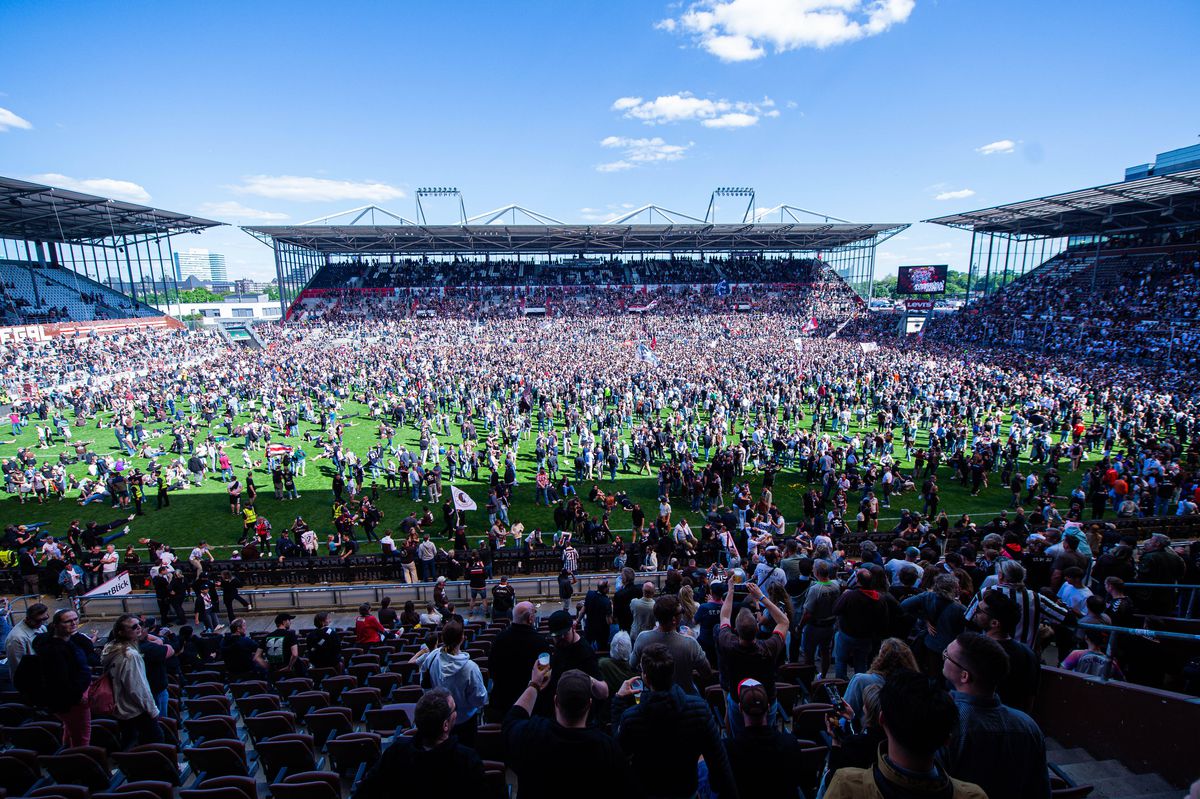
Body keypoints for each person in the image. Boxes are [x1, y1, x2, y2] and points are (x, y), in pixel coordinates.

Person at [824, 670, 987, 799]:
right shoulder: (973, 795)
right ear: (947, 740)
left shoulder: (846, 786)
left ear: (882, 719)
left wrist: (837, 744)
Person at [612, 643, 736, 798]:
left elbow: (617, 751)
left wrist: (618, 701)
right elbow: (719, 761)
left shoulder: (631, 718)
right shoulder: (699, 709)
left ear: (645, 676)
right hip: (686, 790)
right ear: (672, 673)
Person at [503, 665, 641, 799]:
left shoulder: (531, 735)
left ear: (556, 701)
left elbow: (512, 720)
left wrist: (534, 684)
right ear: (589, 704)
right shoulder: (607, 749)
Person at [940, 632, 1050, 799]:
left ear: (964, 676)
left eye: (947, 655)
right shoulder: (1028, 726)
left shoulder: (946, 722)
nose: (944, 656)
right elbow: (1040, 790)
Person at [352, 688, 486, 799]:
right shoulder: (467, 759)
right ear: (445, 725)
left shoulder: (395, 752)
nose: (456, 713)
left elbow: (366, 790)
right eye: (454, 710)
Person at [716, 581, 788, 732]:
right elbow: (783, 621)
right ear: (757, 627)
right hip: (767, 699)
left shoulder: (727, 643)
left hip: (738, 700)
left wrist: (730, 591)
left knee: (737, 734)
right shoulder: (769, 647)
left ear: (735, 629)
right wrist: (761, 597)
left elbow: (724, 617)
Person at [722, 678, 804, 798]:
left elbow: (717, 785)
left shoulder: (728, 750)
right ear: (769, 707)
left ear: (740, 708)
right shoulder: (790, 743)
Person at [419, 620, 488, 745]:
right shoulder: (470, 668)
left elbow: (425, 685)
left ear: (442, 638)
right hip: (465, 722)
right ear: (462, 638)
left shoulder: (432, 657)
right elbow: (479, 699)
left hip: (439, 719)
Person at [31, 608, 93, 746]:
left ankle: (66, 752)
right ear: (56, 625)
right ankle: (78, 761)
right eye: (68, 621)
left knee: (71, 729)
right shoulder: (55, 651)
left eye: (75, 619)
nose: (73, 623)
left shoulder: (61, 641)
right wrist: (79, 694)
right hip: (73, 700)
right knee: (82, 736)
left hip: (67, 699)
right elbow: (61, 679)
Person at [628, 594, 712, 695]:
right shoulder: (690, 643)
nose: (682, 614)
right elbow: (706, 673)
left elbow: (632, 664)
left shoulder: (643, 638)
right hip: (685, 697)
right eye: (681, 612)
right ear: (674, 619)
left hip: (654, 697)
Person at [971, 591, 1040, 711]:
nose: (974, 613)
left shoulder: (975, 652)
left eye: (979, 611)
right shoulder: (1028, 653)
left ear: (994, 623)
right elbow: (1030, 696)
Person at [101, 613, 162, 748]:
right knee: (155, 742)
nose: (139, 628)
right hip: (136, 710)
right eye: (134, 627)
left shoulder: (111, 648)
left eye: (140, 624)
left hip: (121, 709)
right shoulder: (130, 655)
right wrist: (152, 710)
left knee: (130, 740)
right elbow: (137, 687)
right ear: (121, 632)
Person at [488, 601, 550, 722]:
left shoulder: (498, 640)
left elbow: (492, 670)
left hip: (503, 702)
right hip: (532, 706)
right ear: (530, 619)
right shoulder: (540, 642)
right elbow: (545, 676)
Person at [842, 638, 918, 726]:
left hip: (866, 735)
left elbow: (844, 714)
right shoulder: (914, 684)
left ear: (880, 658)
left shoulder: (861, 680)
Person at [833, 567, 891, 680]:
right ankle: (860, 686)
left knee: (841, 660)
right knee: (861, 662)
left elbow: (835, 610)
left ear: (857, 580)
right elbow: (884, 619)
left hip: (847, 634)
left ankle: (840, 684)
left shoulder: (850, 595)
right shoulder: (879, 598)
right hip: (866, 636)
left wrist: (843, 596)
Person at [799, 559, 842, 677]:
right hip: (830, 625)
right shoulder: (836, 585)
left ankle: (810, 678)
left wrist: (800, 626)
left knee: (809, 653)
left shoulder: (815, 589)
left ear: (816, 572)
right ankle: (823, 676)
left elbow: (807, 613)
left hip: (814, 626)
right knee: (825, 652)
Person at [4, 602, 48, 674]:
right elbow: (18, 667)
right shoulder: (16, 638)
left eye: (45, 618)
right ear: (28, 619)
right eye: (38, 621)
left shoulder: (40, 627)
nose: (42, 623)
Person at [265, 613, 300, 679]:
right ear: (284, 622)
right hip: (288, 672)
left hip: (274, 672)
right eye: (289, 620)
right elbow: (295, 654)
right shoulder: (290, 634)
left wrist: (269, 667)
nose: (290, 622)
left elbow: (256, 657)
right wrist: (289, 667)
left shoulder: (268, 636)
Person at [582, 579, 613, 650]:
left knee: (588, 647)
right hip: (602, 632)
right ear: (605, 589)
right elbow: (609, 621)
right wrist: (611, 608)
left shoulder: (590, 594)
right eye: (608, 587)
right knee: (602, 648)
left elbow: (583, 611)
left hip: (589, 628)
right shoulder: (606, 602)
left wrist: (577, 620)